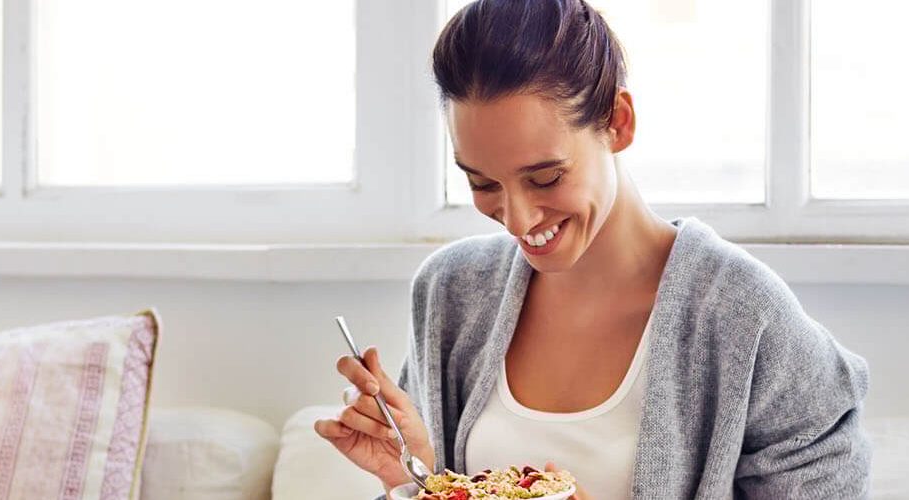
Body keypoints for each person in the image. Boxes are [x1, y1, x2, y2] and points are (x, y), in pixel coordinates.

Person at [315, 1, 872, 498]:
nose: (517, 217)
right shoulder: (451, 293)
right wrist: (415, 478)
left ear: (618, 123)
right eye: (482, 183)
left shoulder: (747, 319)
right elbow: (442, 490)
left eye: (546, 177)